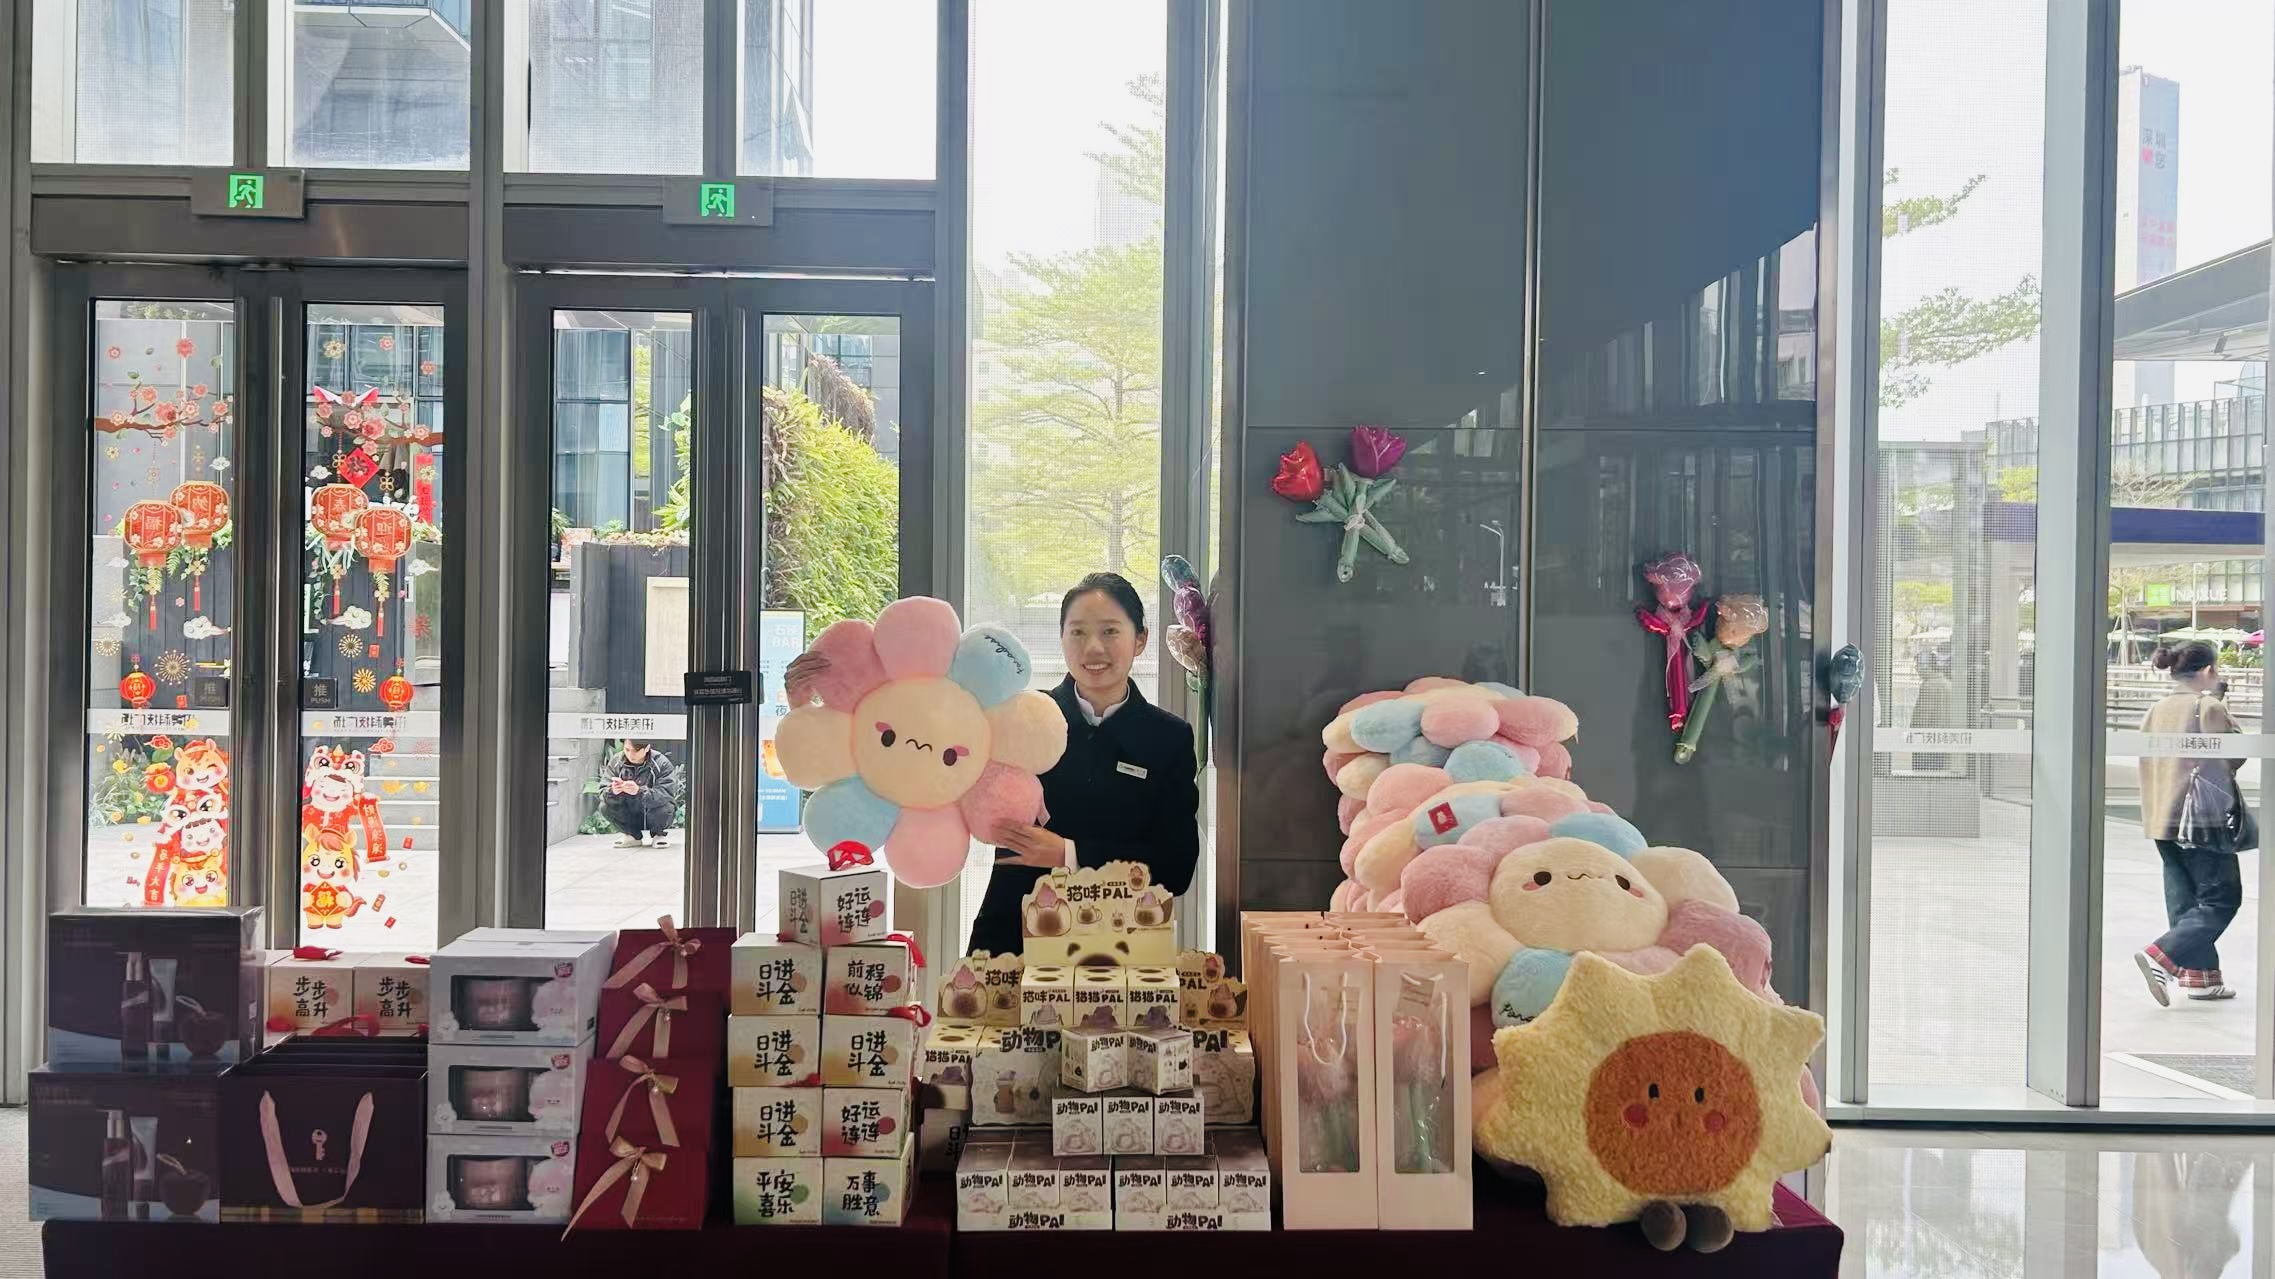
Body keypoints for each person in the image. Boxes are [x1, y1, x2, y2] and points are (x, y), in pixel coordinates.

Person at [785, 574, 1201, 957]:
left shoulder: (1168, 738)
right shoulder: (1013, 722)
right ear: (1061, 638)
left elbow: (1177, 865)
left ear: (1140, 639)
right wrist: (813, 713)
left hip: (1119, 951)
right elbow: (905, 755)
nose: (1093, 647)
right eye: (1078, 632)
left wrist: (1067, 854)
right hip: (1009, 943)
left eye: (1110, 631)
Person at [2133, 641, 2248, 1005]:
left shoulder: (2156, 708)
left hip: (2161, 816)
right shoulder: (2208, 706)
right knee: (2221, 897)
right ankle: (2161, 954)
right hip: (2201, 819)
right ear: (2208, 670)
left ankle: (2201, 978)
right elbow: (2235, 757)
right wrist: (2223, 709)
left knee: (2185, 900)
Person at [600, 739, 684, 848]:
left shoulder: (661, 763)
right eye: (627, 749)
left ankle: (658, 834)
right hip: (628, 811)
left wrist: (639, 791)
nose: (631, 754)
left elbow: (666, 793)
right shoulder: (617, 761)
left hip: (653, 811)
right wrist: (613, 791)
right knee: (604, 806)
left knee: (666, 806)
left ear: (647, 748)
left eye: (636, 750)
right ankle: (632, 836)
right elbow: (603, 790)